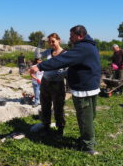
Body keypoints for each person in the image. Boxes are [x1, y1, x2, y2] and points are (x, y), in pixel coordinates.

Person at [31, 25, 101, 155]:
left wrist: (40, 66)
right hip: (89, 86)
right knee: (88, 116)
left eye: (72, 36)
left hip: (84, 88)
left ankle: (88, 145)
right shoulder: (89, 46)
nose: (70, 38)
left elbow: (62, 60)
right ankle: (86, 138)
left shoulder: (82, 48)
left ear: (80, 36)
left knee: (84, 117)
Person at [39, 33, 67, 137]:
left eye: (53, 41)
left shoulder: (65, 53)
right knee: (45, 104)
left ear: (58, 40)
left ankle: (60, 128)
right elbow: (37, 55)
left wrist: (59, 76)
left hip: (57, 83)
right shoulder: (48, 52)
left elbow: (68, 69)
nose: (51, 44)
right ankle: (46, 126)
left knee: (58, 106)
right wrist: (39, 44)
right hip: (45, 81)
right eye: (49, 42)